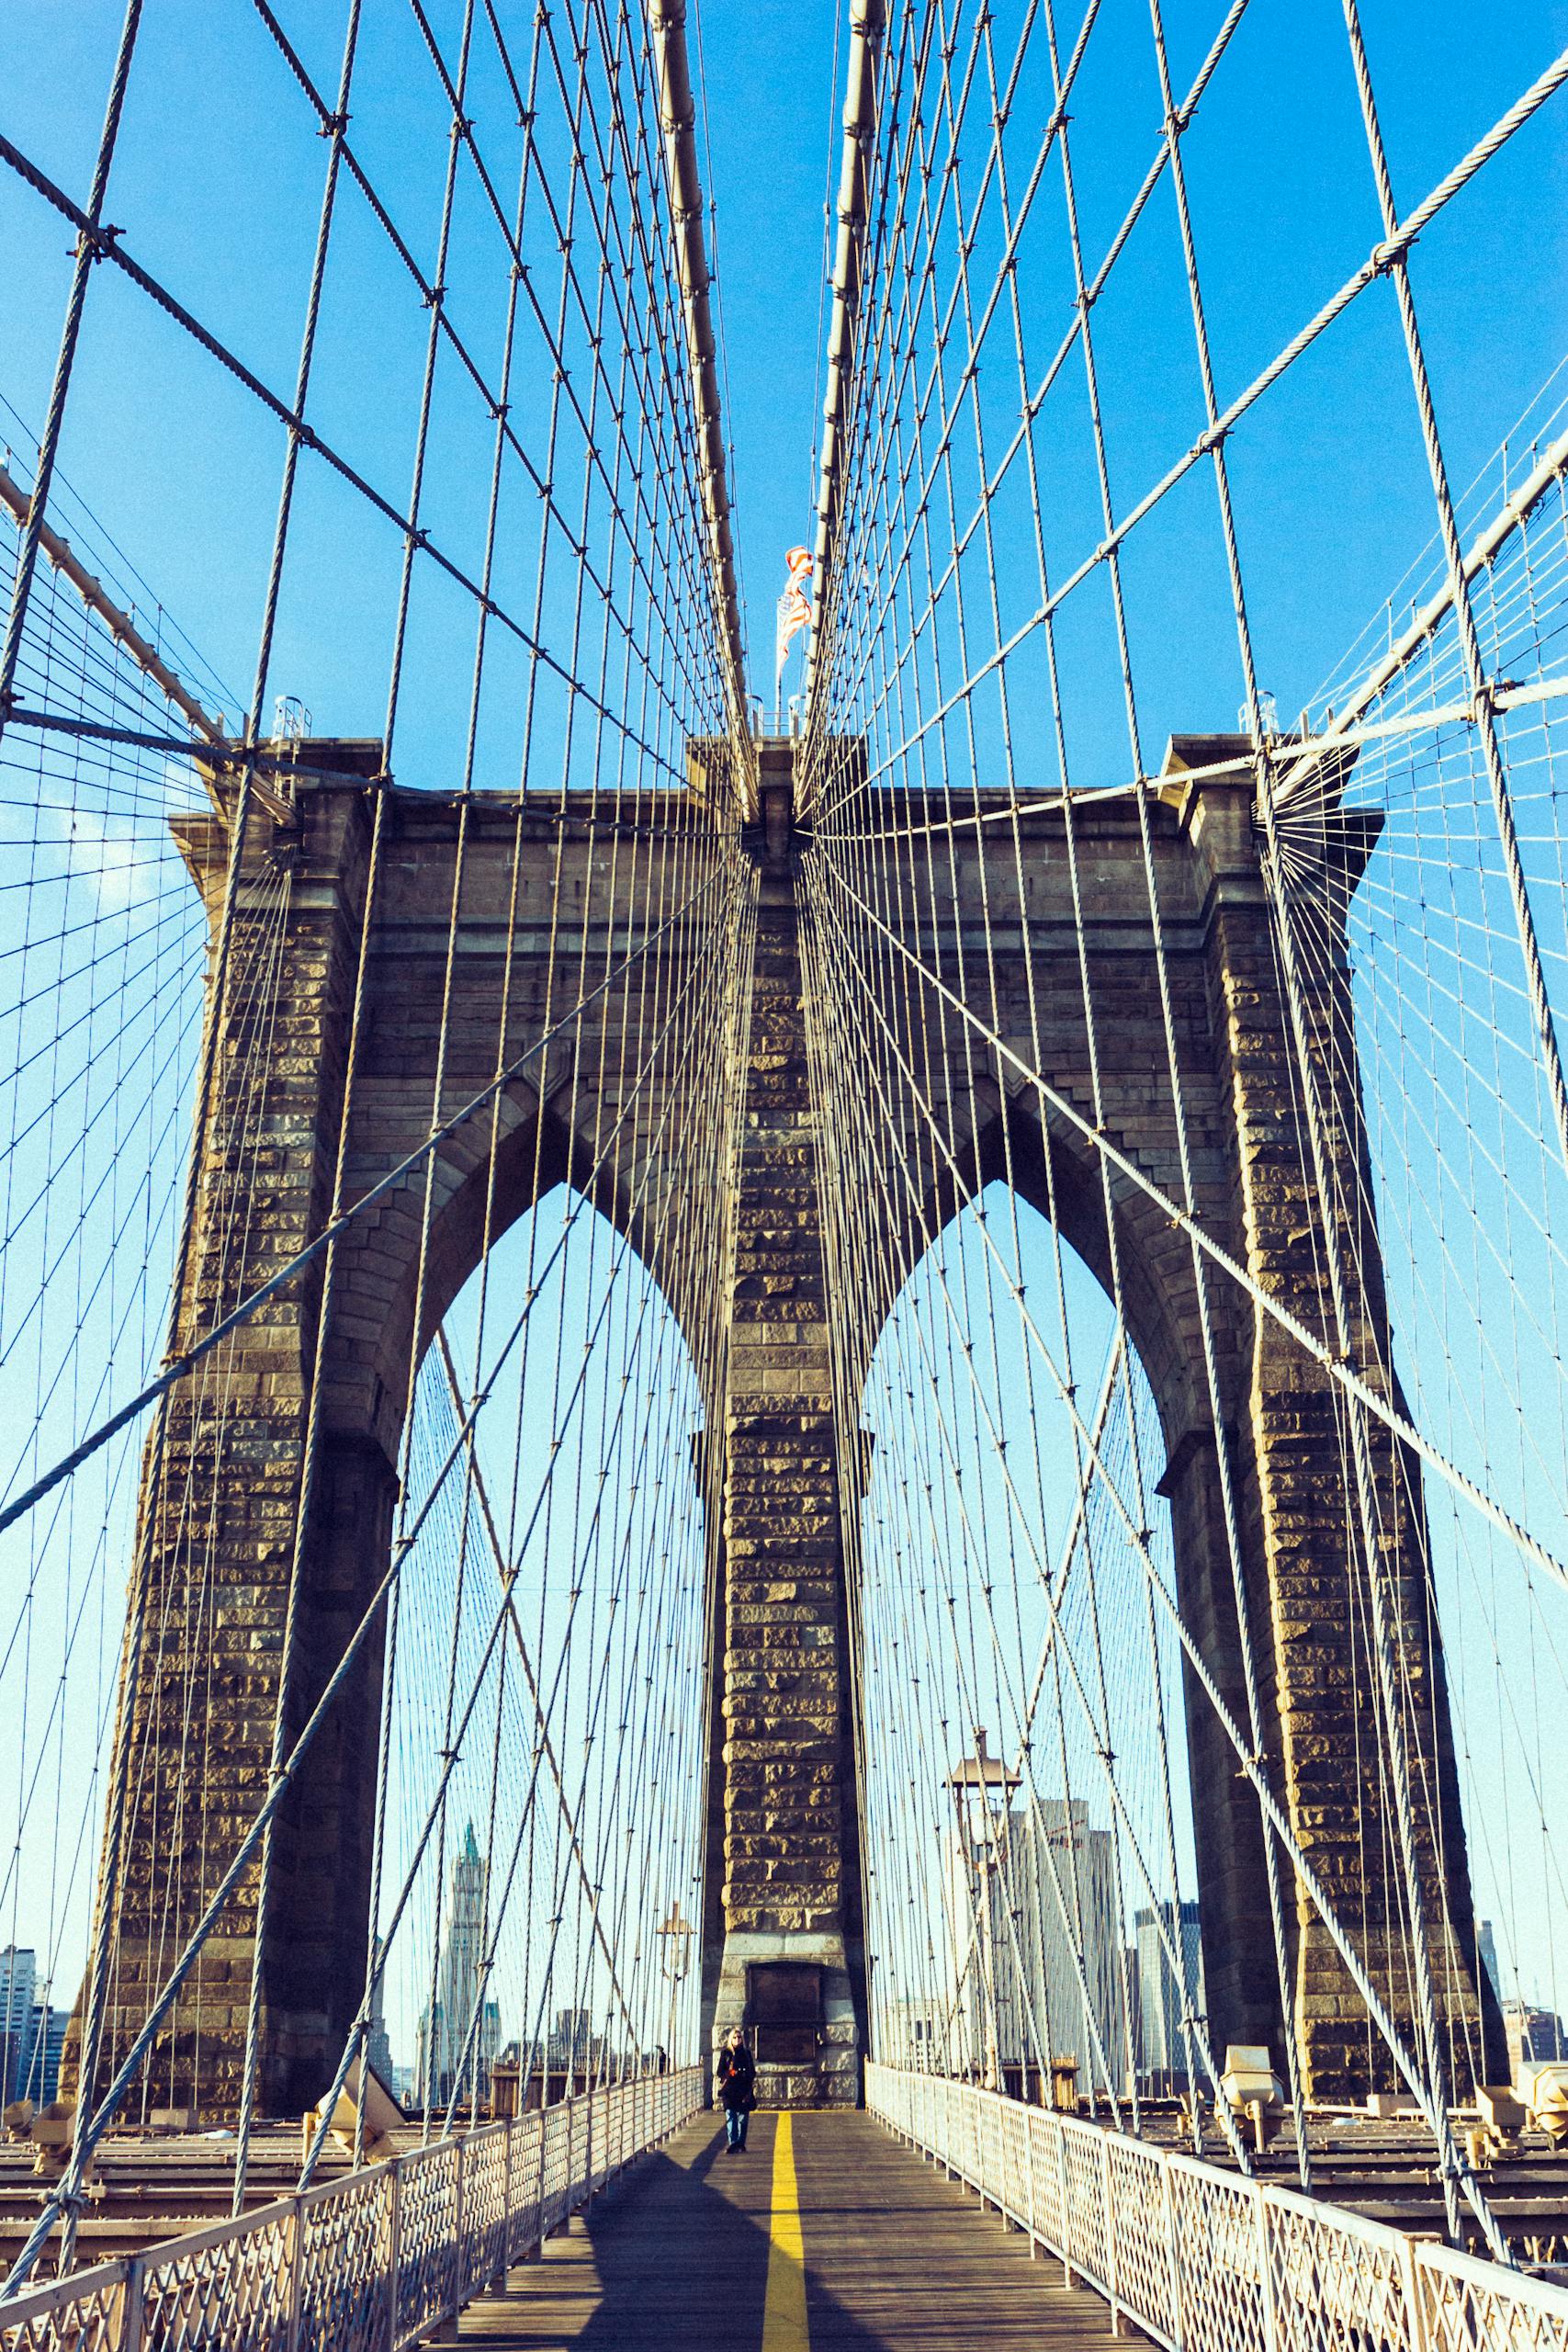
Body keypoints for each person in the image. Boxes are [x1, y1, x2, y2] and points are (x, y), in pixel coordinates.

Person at [716, 2025, 756, 2152]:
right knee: (731, 2117)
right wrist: (730, 2073)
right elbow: (719, 2072)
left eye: (739, 2037)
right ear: (730, 2039)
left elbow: (752, 2072)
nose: (737, 2039)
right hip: (729, 2091)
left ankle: (740, 2143)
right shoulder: (726, 2054)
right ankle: (733, 2143)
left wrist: (743, 2074)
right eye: (735, 2037)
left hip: (743, 2090)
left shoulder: (746, 2054)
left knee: (742, 2119)